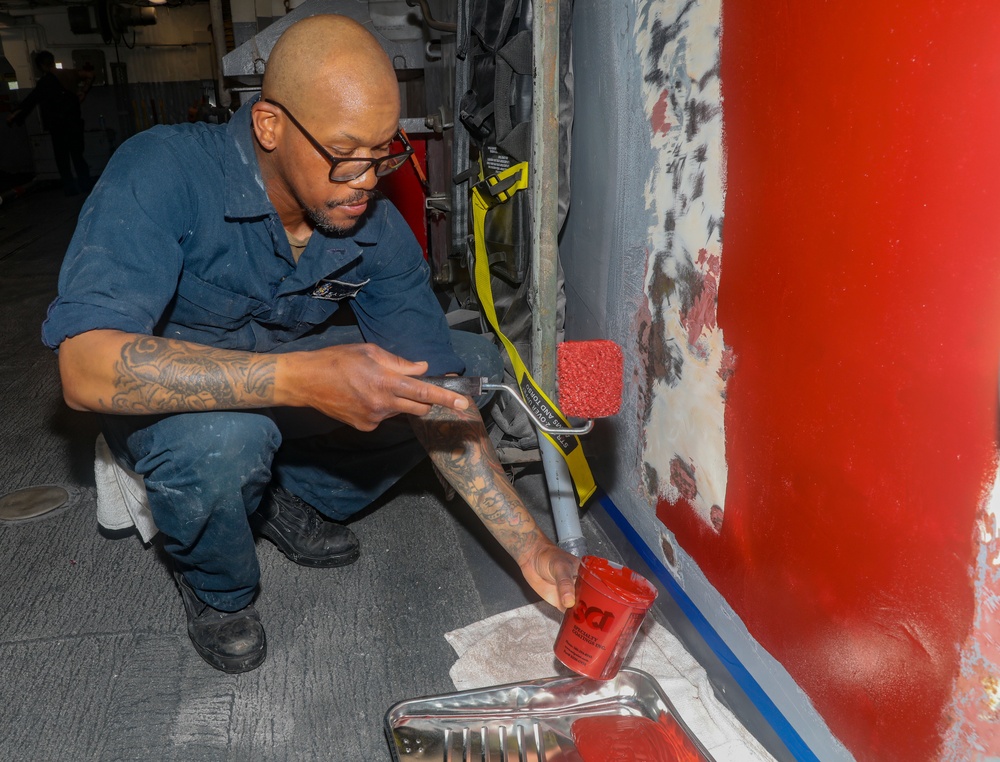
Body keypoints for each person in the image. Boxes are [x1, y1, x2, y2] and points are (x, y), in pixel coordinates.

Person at [41, 15, 579, 674]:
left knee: (463, 370)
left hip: (283, 404)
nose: (366, 180)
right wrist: (300, 378)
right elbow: (84, 367)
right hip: (179, 415)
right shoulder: (164, 171)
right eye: (346, 153)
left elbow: (437, 393)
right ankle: (218, 590)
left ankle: (279, 496)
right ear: (270, 126)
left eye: (384, 151)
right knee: (225, 442)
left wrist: (530, 547)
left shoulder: (370, 224)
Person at [6, 50, 94, 196]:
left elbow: (31, 100)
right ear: (53, 61)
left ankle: (70, 188)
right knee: (78, 156)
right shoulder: (69, 74)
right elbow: (90, 75)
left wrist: (15, 113)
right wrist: (83, 91)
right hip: (74, 123)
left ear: (41, 66)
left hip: (58, 126)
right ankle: (86, 185)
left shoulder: (45, 83)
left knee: (62, 159)